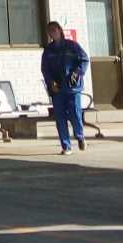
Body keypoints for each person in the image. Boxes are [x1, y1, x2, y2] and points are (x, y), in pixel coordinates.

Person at [40, 21, 89, 153]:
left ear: (60, 30)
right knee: (60, 118)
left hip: (72, 88)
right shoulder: (48, 51)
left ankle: (80, 136)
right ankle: (66, 146)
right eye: (49, 31)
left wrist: (77, 73)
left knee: (75, 114)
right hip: (57, 89)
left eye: (54, 29)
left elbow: (84, 60)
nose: (52, 33)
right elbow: (45, 69)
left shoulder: (72, 46)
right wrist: (51, 82)